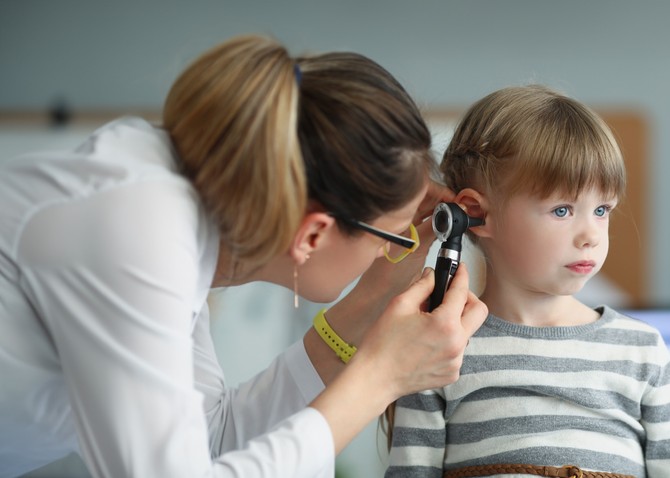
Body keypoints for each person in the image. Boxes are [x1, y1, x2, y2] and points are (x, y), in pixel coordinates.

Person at [0, 34, 487, 477]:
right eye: (390, 236)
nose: (394, 248)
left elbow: (214, 442)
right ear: (313, 234)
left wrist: (372, 300)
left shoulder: (183, 215)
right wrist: (379, 378)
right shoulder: (135, 232)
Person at [385, 85, 670, 478]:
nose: (590, 234)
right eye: (562, 209)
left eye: (602, 209)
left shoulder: (641, 351)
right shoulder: (440, 350)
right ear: (474, 212)